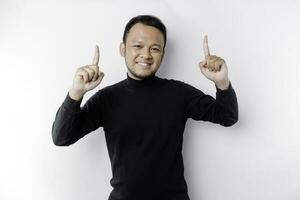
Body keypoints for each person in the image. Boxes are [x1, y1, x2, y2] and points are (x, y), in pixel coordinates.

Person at [52, 15, 238, 200]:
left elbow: (227, 117)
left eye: (155, 48)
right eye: (138, 46)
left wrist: (222, 83)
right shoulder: (107, 98)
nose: (146, 55)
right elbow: (61, 137)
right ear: (123, 49)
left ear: (163, 54)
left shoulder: (179, 93)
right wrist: (76, 93)